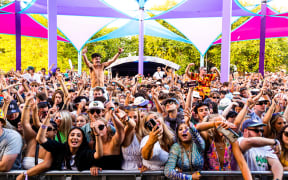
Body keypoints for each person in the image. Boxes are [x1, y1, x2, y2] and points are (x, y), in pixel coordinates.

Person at [36, 108, 103, 171]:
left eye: (79, 136)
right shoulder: (60, 148)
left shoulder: (85, 153)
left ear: (82, 140)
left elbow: (98, 155)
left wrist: (97, 134)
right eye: (72, 135)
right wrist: (47, 119)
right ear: (68, 138)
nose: (75, 137)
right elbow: (40, 139)